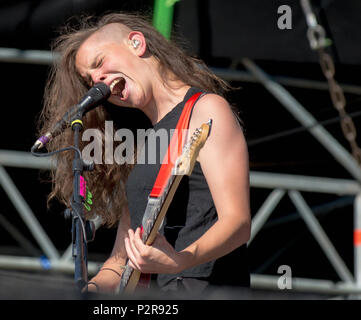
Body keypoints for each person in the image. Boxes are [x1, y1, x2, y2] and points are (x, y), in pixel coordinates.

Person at [37, 12, 251, 294]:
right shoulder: (144, 145)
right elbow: (119, 260)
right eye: (90, 80)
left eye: (99, 63)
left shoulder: (206, 110)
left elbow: (237, 223)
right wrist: (89, 290)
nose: (97, 80)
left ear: (137, 43)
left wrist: (180, 260)